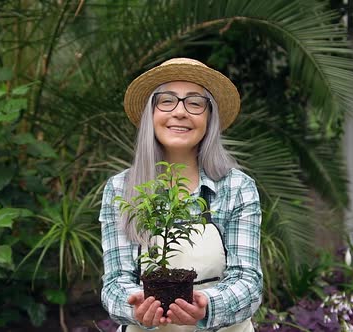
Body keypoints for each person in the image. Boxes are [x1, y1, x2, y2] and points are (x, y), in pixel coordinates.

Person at [100, 58, 262, 332]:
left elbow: (248, 280)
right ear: (151, 114)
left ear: (209, 117)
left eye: (195, 103)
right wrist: (135, 306)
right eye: (166, 101)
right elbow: (116, 281)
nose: (180, 112)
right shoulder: (121, 189)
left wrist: (206, 305)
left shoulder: (236, 187)